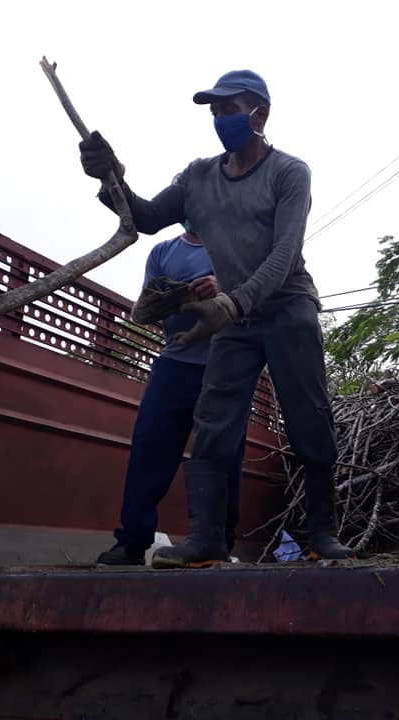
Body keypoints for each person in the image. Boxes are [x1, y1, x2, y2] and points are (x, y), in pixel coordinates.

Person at [79, 69, 352, 567]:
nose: (220, 119)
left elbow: (285, 254)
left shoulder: (289, 172)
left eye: (230, 110)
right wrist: (112, 176)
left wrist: (231, 302)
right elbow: (143, 218)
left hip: (288, 308)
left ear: (259, 114)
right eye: (215, 112)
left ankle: (322, 535)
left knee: (308, 419)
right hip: (236, 322)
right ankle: (207, 540)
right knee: (213, 425)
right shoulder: (199, 176)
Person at [96, 224, 246, 566]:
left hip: (225, 365)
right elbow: (144, 309)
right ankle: (132, 542)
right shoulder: (162, 252)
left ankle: (218, 542)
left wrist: (221, 288)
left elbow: (258, 289)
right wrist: (173, 297)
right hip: (175, 361)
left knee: (224, 454)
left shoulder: (237, 244)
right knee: (149, 447)